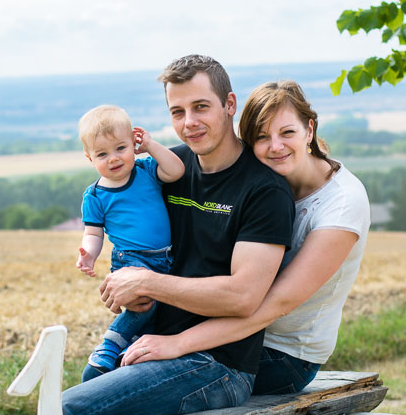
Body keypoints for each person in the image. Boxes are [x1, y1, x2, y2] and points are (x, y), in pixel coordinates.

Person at [27, 55, 295, 415]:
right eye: (176, 112)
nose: (188, 123)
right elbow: (125, 227)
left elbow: (242, 297)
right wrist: (121, 278)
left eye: (201, 107)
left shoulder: (262, 191)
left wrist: (149, 283)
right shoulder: (164, 171)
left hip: (218, 363)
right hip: (150, 343)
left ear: (229, 105)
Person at [123, 80, 371, 396]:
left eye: (287, 133)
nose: (276, 146)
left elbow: (274, 304)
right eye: (262, 137)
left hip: (282, 354)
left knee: (132, 382)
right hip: (226, 331)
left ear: (309, 130)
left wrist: (177, 343)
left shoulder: (342, 204)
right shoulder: (262, 187)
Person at [75, 105, 185, 382]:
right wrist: (88, 254)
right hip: (130, 259)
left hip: (165, 257)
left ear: (133, 145)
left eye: (120, 148)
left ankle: (126, 352)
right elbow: (94, 233)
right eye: (102, 154)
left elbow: (177, 170)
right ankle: (109, 347)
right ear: (90, 158)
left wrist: (150, 145)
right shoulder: (95, 196)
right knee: (144, 303)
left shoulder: (146, 170)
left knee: (161, 307)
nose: (113, 158)